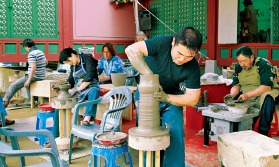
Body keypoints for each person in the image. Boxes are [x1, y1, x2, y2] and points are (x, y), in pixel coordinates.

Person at [125, 26, 203, 166]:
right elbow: (130, 50)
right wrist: (150, 77)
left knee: (175, 132)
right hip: (146, 96)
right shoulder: (162, 43)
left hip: (171, 98)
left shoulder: (193, 67)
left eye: (189, 56)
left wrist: (166, 97)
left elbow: (193, 98)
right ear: (173, 42)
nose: (182, 59)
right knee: (148, 134)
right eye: (179, 53)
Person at [225, 46, 279, 136]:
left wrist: (247, 95)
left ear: (252, 57)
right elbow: (236, 85)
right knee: (235, 101)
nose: (242, 64)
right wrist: (232, 95)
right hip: (248, 93)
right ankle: (240, 129)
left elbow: (267, 87)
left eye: (244, 61)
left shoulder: (263, 64)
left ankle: (263, 131)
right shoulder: (238, 67)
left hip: (265, 91)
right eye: (240, 61)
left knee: (268, 98)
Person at [2, 38, 47, 125]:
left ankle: (3, 106)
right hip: (41, 76)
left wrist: (28, 80)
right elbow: (46, 62)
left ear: (26, 46)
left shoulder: (31, 54)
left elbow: (33, 67)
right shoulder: (40, 52)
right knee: (18, 84)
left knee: (13, 86)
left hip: (34, 77)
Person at [59, 47, 100, 125]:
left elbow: (90, 76)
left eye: (68, 60)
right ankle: (56, 131)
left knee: (94, 91)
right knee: (61, 100)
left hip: (90, 87)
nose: (69, 63)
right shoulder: (73, 66)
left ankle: (87, 118)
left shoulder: (88, 59)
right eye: (67, 62)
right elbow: (70, 80)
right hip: (79, 90)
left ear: (73, 54)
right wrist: (63, 87)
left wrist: (77, 90)